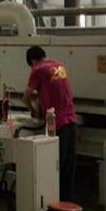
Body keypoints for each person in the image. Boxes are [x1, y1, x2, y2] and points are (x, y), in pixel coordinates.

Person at [23, 45, 78, 202]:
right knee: (68, 170)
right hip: (72, 121)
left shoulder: (37, 70)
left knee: (55, 169)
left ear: (32, 61)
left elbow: (26, 97)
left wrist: (33, 110)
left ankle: (54, 210)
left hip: (58, 124)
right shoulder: (59, 65)